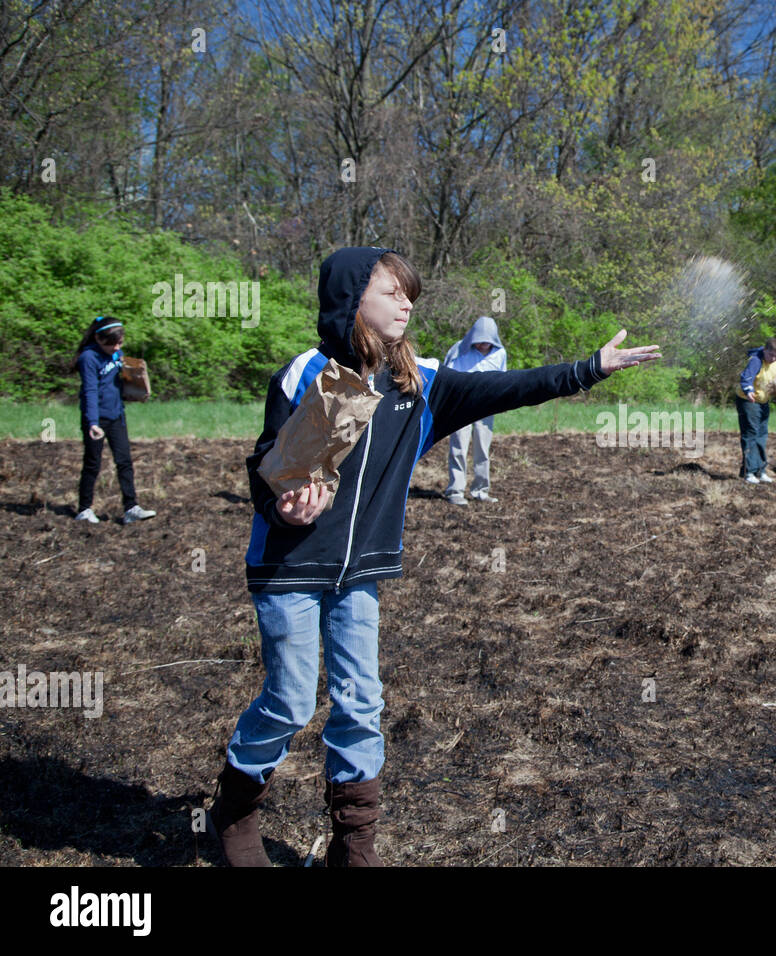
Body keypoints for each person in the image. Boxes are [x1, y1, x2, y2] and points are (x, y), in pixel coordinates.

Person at [212, 247, 659, 867]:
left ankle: (353, 846)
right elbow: (266, 471)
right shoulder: (305, 374)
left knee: (361, 702)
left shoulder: (419, 383)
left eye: (410, 294)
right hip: (289, 569)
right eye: (392, 291)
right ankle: (234, 813)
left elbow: (510, 389)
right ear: (351, 300)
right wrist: (282, 504)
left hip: (359, 575)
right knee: (289, 699)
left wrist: (589, 368)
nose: (407, 303)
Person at [72, 315, 156, 524]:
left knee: (125, 461)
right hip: (96, 418)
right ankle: (84, 509)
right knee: (93, 463)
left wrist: (137, 385)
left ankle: (131, 508)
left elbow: (120, 381)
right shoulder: (88, 358)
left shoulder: (117, 354)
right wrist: (92, 422)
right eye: (112, 343)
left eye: (120, 342)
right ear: (99, 339)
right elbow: (90, 390)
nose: (117, 347)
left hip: (117, 414)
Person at [442, 316, 507, 505]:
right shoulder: (458, 350)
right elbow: (447, 376)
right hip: (461, 404)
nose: (483, 345)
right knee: (459, 447)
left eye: (487, 341)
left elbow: (502, 379)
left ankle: (480, 489)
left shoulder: (500, 353)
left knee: (482, 449)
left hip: (486, 405)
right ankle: (455, 490)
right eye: (480, 341)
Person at [735, 337, 776, 483]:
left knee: (762, 435)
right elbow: (746, 378)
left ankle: (760, 470)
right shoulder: (756, 360)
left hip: (763, 402)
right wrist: (748, 390)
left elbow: (772, 379)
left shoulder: (775, 363)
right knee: (750, 434)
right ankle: (748, 472)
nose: (773, 359)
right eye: (771, 355)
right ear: (765, 350)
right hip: (748, 401)